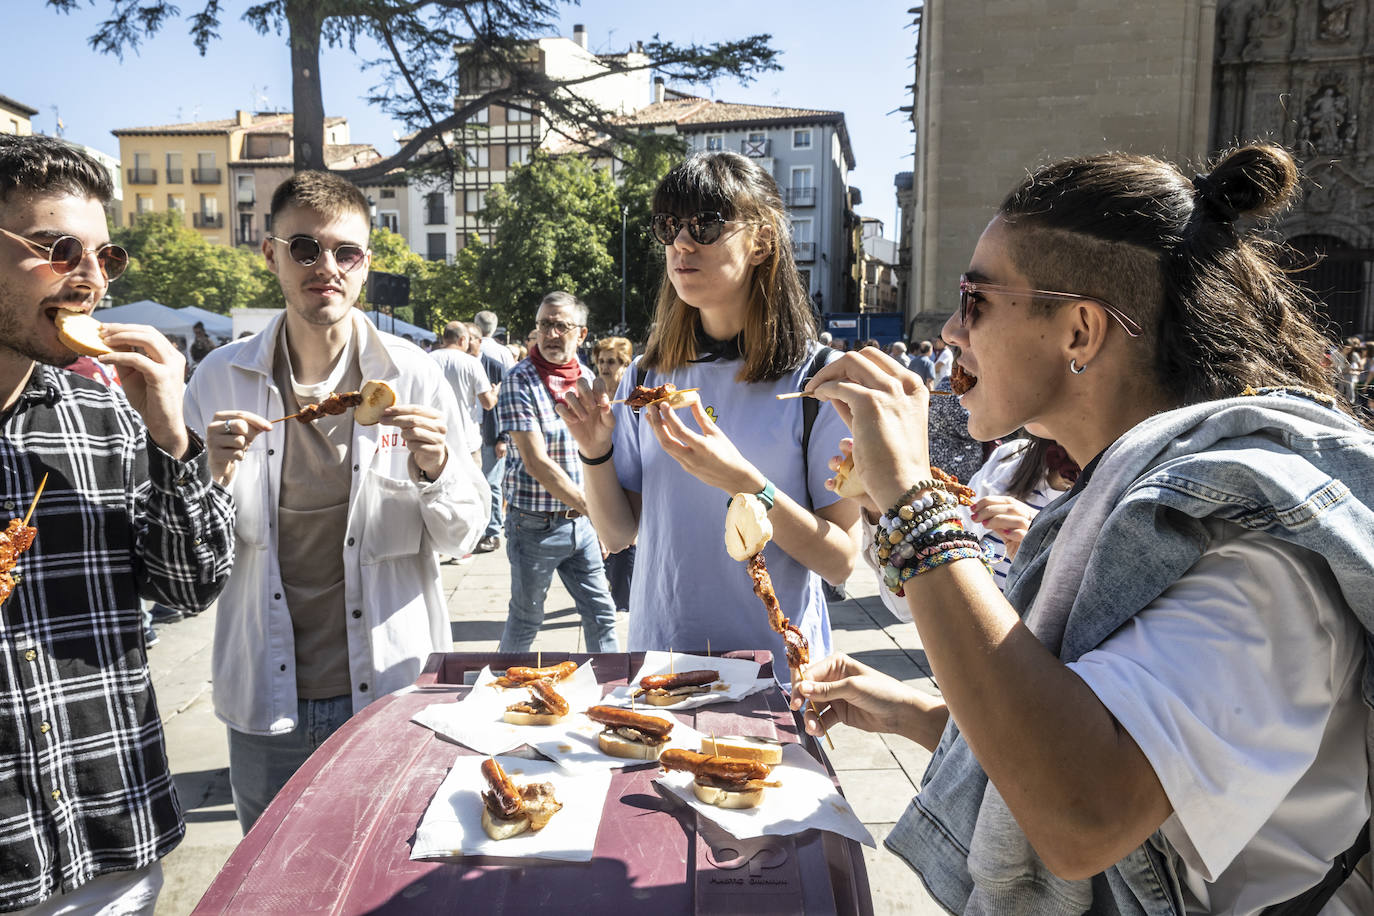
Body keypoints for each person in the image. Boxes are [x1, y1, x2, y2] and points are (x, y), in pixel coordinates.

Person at [793, 144, 1374, 914]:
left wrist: (909, 495)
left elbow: (1084, 814)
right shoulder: (1120, 501)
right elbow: (1091, 735)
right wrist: (914, 714)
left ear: (1080, 331)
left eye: (975, 299)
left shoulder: (1255, 551)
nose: (952, 334)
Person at [184, 170, 489, 833]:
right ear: (270, 255)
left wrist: (437, 466)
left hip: (393, 688)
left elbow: (464, 535)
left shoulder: (413, 374)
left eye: (345, 252)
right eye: (304, 248)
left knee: (397, 866)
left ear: (365, 264)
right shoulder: (217, 379)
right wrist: (211, 477)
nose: (326, 267)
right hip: (265, 696)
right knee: (273, 878)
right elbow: (189, 562)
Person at [0, 134, 234, 913]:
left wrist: (172, 437)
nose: (92, 279)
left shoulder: (106, 414)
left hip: (115, 846)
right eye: (59, 250)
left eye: (106, 257)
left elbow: (191, 585)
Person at [558, 151, 859, 676]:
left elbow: (840, 560)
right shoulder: (647, 375)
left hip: (775, 675)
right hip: (661, 661)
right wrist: (594, 451)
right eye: (668, 225)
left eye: (705, 224)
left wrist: (746, 484)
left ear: (762, 241)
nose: (681, 243)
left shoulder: (819, 380)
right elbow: (618, 534)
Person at [495, 291, 619, 653]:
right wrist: (597, 512)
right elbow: (536, 462)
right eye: (544, 324)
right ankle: (501, 684)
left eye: (560, 326)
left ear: (581, 334)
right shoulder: (520, 380)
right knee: (526, 620)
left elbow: (599, 453)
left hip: (582, 523)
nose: (550, 334)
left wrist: (597, 516)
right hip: (534, 525)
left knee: (602, 614)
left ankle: (610, 686)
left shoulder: (587, 379)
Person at [593, 336, 636, 612]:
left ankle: (624, 605)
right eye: (601, 361)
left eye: (611, 362)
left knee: (625, 550)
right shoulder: (596, 397)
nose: (604, 367)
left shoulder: (631, 399)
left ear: (625, 365)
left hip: (628, 481)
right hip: (602, 478)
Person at [431, 320, 496, 465]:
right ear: (462, 340)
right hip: (467, 442)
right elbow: (488, 403)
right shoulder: (472, 363)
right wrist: (495, 393)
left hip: (436, 439)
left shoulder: (428, 359)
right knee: (472, 480)